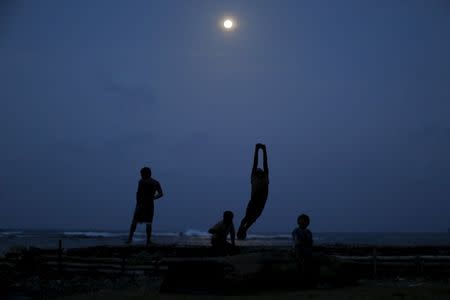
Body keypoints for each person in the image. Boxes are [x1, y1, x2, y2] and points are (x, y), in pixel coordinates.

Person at [237, 143, 269, 240]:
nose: (259, 170)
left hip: (261, 203)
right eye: (258, 170)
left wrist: (263, 150)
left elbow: (265, 163)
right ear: (255, 173)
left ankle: (243, 232)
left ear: (262, 173)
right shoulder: (254, 177)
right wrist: (257, 149)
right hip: (254, 201)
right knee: (247, 218)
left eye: (260, 170)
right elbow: (255, 163)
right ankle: (240, 232)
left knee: (252, 219)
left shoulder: (265, 178)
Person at [127, 166, 163, 247]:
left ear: (147, 174)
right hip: (148, 204)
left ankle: (130, 239)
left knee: (136, 221)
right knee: (148, 223)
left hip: (142, 204)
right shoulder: (155, 182)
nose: (141, 175)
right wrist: (153, 198)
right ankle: (147, 241)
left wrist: (139, 203)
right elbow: (160, 194)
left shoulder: (142, 182)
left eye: (142, 174)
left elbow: (138, 193)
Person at [292, 214, 313, 285]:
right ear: (298, 222)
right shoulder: (296, 231)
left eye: (305, 222)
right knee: (301, 265)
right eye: (301, 221)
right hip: (300, 252)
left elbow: (310, 243)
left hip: (307, 252)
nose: (303, 223)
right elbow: (297, 243)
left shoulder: (308, 232)